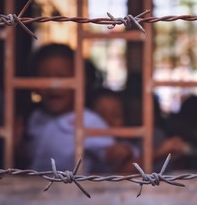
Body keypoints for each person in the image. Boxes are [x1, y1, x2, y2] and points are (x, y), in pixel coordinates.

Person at [19, 43, 131, 173]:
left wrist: (118, 152)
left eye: (62, 77)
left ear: (81, 81)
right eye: (45, 77)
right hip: (34, 190)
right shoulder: (35, 117)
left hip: (73, 190)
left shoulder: (88, 120)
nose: (53, 85)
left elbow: (107, 153)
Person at [90, 88, 188, 172]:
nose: (108, 121)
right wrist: (160, 152)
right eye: (100, 116)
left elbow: (129, 165)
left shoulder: (127, 147)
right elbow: (121, 173)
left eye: (116, 116)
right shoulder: (86, 141)